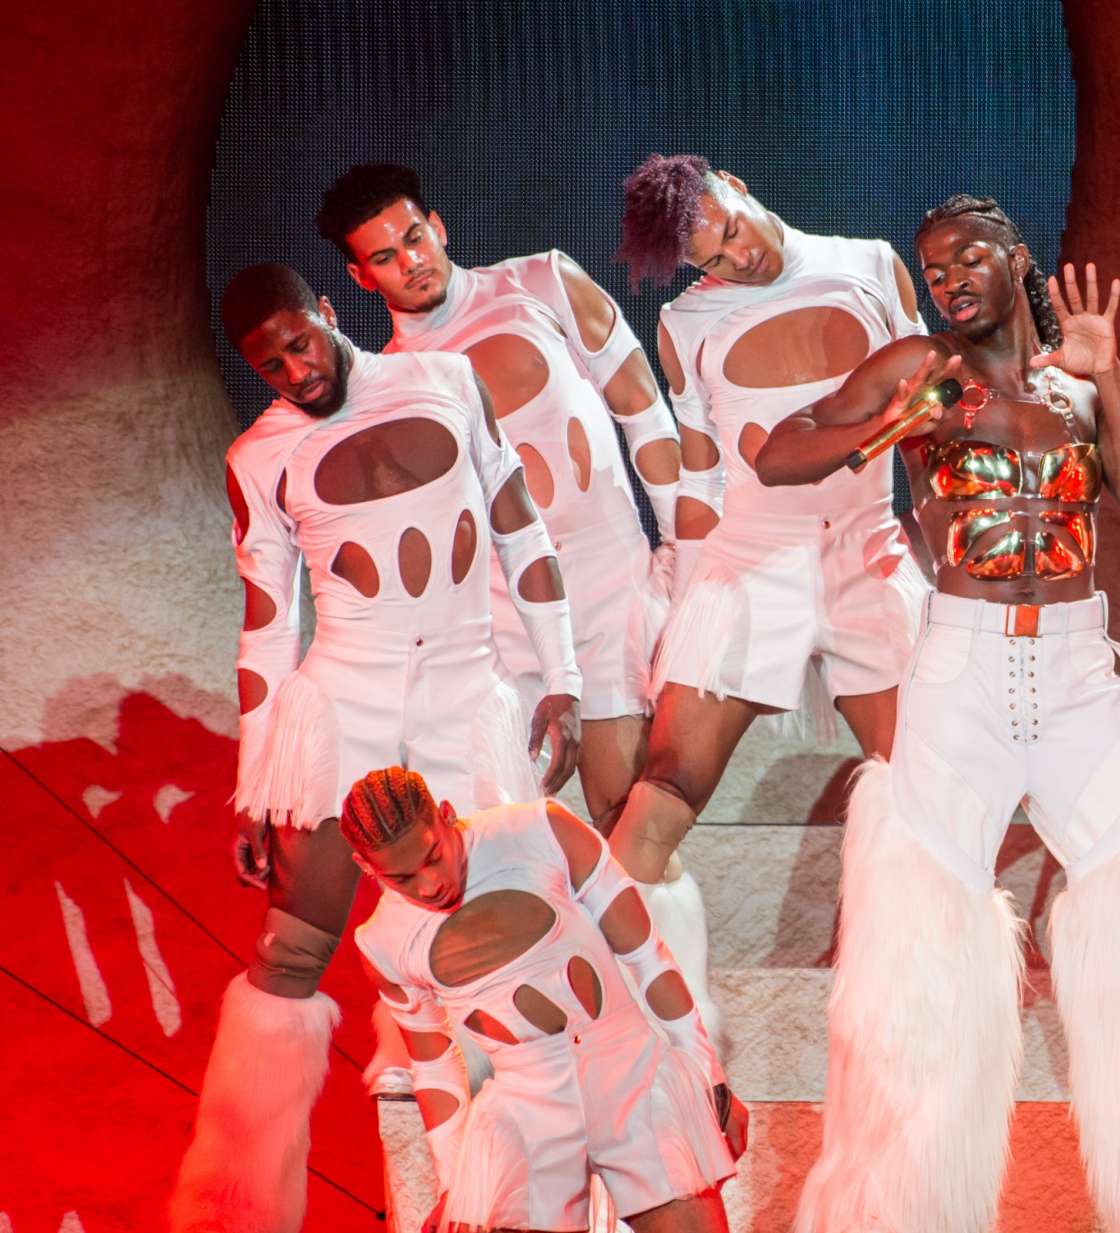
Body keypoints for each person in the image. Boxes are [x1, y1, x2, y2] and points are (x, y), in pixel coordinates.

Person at [752, 195, 1120, 1233]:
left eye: (967, 260)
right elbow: (779, 452)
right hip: (963, 669)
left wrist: (1107, 373)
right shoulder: (918, 366)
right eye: (932, 270)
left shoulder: (1073, 381)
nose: (948, 281)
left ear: (1015, 258)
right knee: (918, 962)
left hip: (1078, 669)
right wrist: (891, 424)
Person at [170, 263, 580, 1233]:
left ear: (327, 311)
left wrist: (562, 678)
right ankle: (235, 1205)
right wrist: (255, 787)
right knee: (291, 950)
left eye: (299, 344)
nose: (295, 371)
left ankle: (515, 1194)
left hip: (464, 694)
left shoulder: (444, 379)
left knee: (503, 933)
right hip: (339, 706)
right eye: (270, 365)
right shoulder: (260, 455)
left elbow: (520, 528)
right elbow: (268, 626)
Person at [602, 155, 930, 1041]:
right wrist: (682, 604)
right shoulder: (684, 322)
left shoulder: (870, 264)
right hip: (750, 562)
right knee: (665, 786)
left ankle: (912, 1012)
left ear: (737, 186)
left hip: (867, 551)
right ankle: (634, 1022)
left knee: (920, 787)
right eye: (713, 258)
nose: (738, 258)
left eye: (732, 230)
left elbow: (925, 418)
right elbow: (700, 473)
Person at [315, 162, 679, 824]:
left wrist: (684, 544)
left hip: (607, 584)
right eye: (385, 258)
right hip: (503, 618)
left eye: (415, 238)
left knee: (626, 814)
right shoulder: (391, 384)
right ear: (362, 276)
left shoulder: (542, 281)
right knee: (502, 830)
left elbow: (644, 409)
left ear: (438, 227)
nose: (411, 262)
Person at [342, 767, 744, 1232]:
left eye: (434, 857)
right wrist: (452, 1183)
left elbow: (647, 956)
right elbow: (434, 1064)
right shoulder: (383, 940)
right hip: (526, 1108)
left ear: (447, 815)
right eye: (402, 878)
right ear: (366, 867)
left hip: (630, 1072)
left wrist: (708, 1075)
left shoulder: (539, 830)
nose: (428, 885)